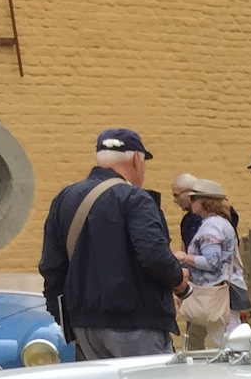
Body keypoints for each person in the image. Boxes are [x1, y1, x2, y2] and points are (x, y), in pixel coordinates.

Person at [37, 128, 183, 361]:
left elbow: (52, 267)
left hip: (84, 326)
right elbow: (154, 256)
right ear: (136, 159)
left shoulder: (65, 198)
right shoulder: (135, 199)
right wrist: (180, 281)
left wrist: (66, 321)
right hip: (135, 322)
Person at [171, 180, 242, 350]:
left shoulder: (211, 226)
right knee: (223, 336)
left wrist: (184, 257)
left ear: (204, 201)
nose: (191, 201)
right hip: (224, 288)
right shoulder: (221, 222)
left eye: (194, 198)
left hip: (214, 292)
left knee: (225, 341)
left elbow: (211, 261)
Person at [169, 173, 203, 247]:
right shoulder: (187, 220)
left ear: (190, 192)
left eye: (176, 195)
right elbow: (184, 250)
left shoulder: (213, 217)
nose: (175, 200)